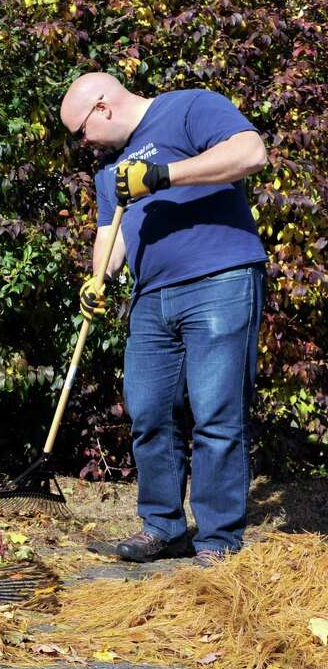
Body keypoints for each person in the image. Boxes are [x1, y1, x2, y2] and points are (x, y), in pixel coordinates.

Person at [59, 72, 268, 567]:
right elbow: (111, 236)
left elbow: (251, 152)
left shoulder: (191, 106)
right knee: (149, 411)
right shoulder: (109, 169)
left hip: (220, 279)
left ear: (103, 106)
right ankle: (163, 528)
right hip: (151, 298)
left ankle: (218, 540)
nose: (83, 144)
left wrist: (164, 176)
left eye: (80, 131)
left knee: (216, 412)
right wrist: (97, 280)